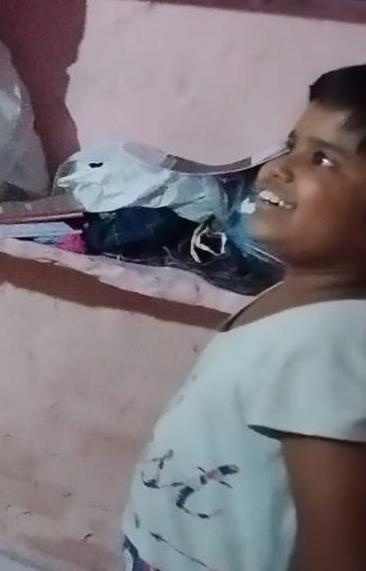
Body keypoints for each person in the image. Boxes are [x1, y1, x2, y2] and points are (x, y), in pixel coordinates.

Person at [120, 65, 366, 571]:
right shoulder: (300, 301)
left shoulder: (327, 345)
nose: (279, 168)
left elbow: (336, 552)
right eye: (292, 145)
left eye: (323, 159)